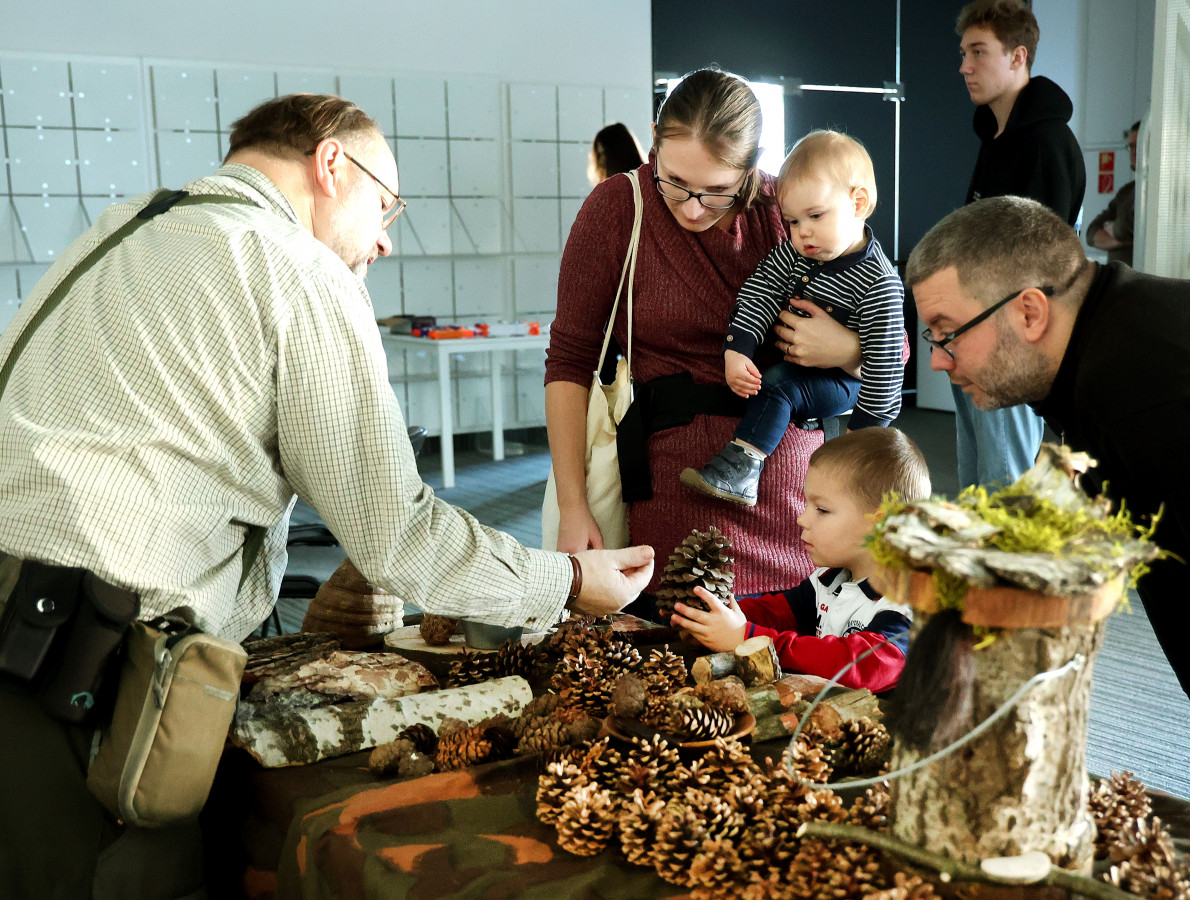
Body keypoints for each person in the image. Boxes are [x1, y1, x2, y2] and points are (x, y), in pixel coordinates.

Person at [0, 93, 653, 900]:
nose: (383, 237)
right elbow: (399, 536)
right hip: (89, 665)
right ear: (331, 163)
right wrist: (568, 584)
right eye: (386, 205)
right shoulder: (296, 266)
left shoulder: (125, 227)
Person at [546, 67, 866, 596]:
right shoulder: (616, 209)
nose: (693, 208)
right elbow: (569, 362)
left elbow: (890, 345)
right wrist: (572, 505)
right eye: (674, 182)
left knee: (792, 657)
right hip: (677, 490)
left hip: (797, 494)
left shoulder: (787, 209)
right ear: (653, 140)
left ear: (752, 170)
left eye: (717, 190)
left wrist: (846, 348)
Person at [906, 193, 1190, 720]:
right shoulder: (1106, 337)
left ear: (1029, 311)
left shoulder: (1141, 396)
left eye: (948, 332)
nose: (935, 360)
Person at [680, 130, 905, 507]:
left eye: (815, 216)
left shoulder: (880, 283)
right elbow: (760, 291)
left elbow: (885, 379)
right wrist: (738, 348)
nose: (803, 234)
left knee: (780, 384)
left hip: (842, 384)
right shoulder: (795, 255)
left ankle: (742, 468)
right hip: (799, 371)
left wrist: (857, 446)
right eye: (793, 222)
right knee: (779, 382)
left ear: (858, 202)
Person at [672, 428, 930, 692]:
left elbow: (857, 665)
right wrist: (713, 617)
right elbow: (777, 612)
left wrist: (747, 637)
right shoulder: (829, 580)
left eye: (822, 509)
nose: (802, 519)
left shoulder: (907, 605)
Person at [953, 0, 1085, 490]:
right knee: (976, 481)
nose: (964, 66)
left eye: (978, 52)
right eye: (964, 52)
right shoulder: (997, 137)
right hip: (974, 330)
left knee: (1005, 482)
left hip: (1010, 339)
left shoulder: (1047, 144)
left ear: (1017, 56)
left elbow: (1039, 265)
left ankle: (1005, 569)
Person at [1085, 121, 1139, 266]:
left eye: (1139, 146)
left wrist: (1111, 228)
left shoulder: (1153, 193)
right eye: (1131, 146)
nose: (1134, 152)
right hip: (1118, 281)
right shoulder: (1126, 191)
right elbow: (1091, 234)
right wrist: (1130, 241)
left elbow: (1123, 228)